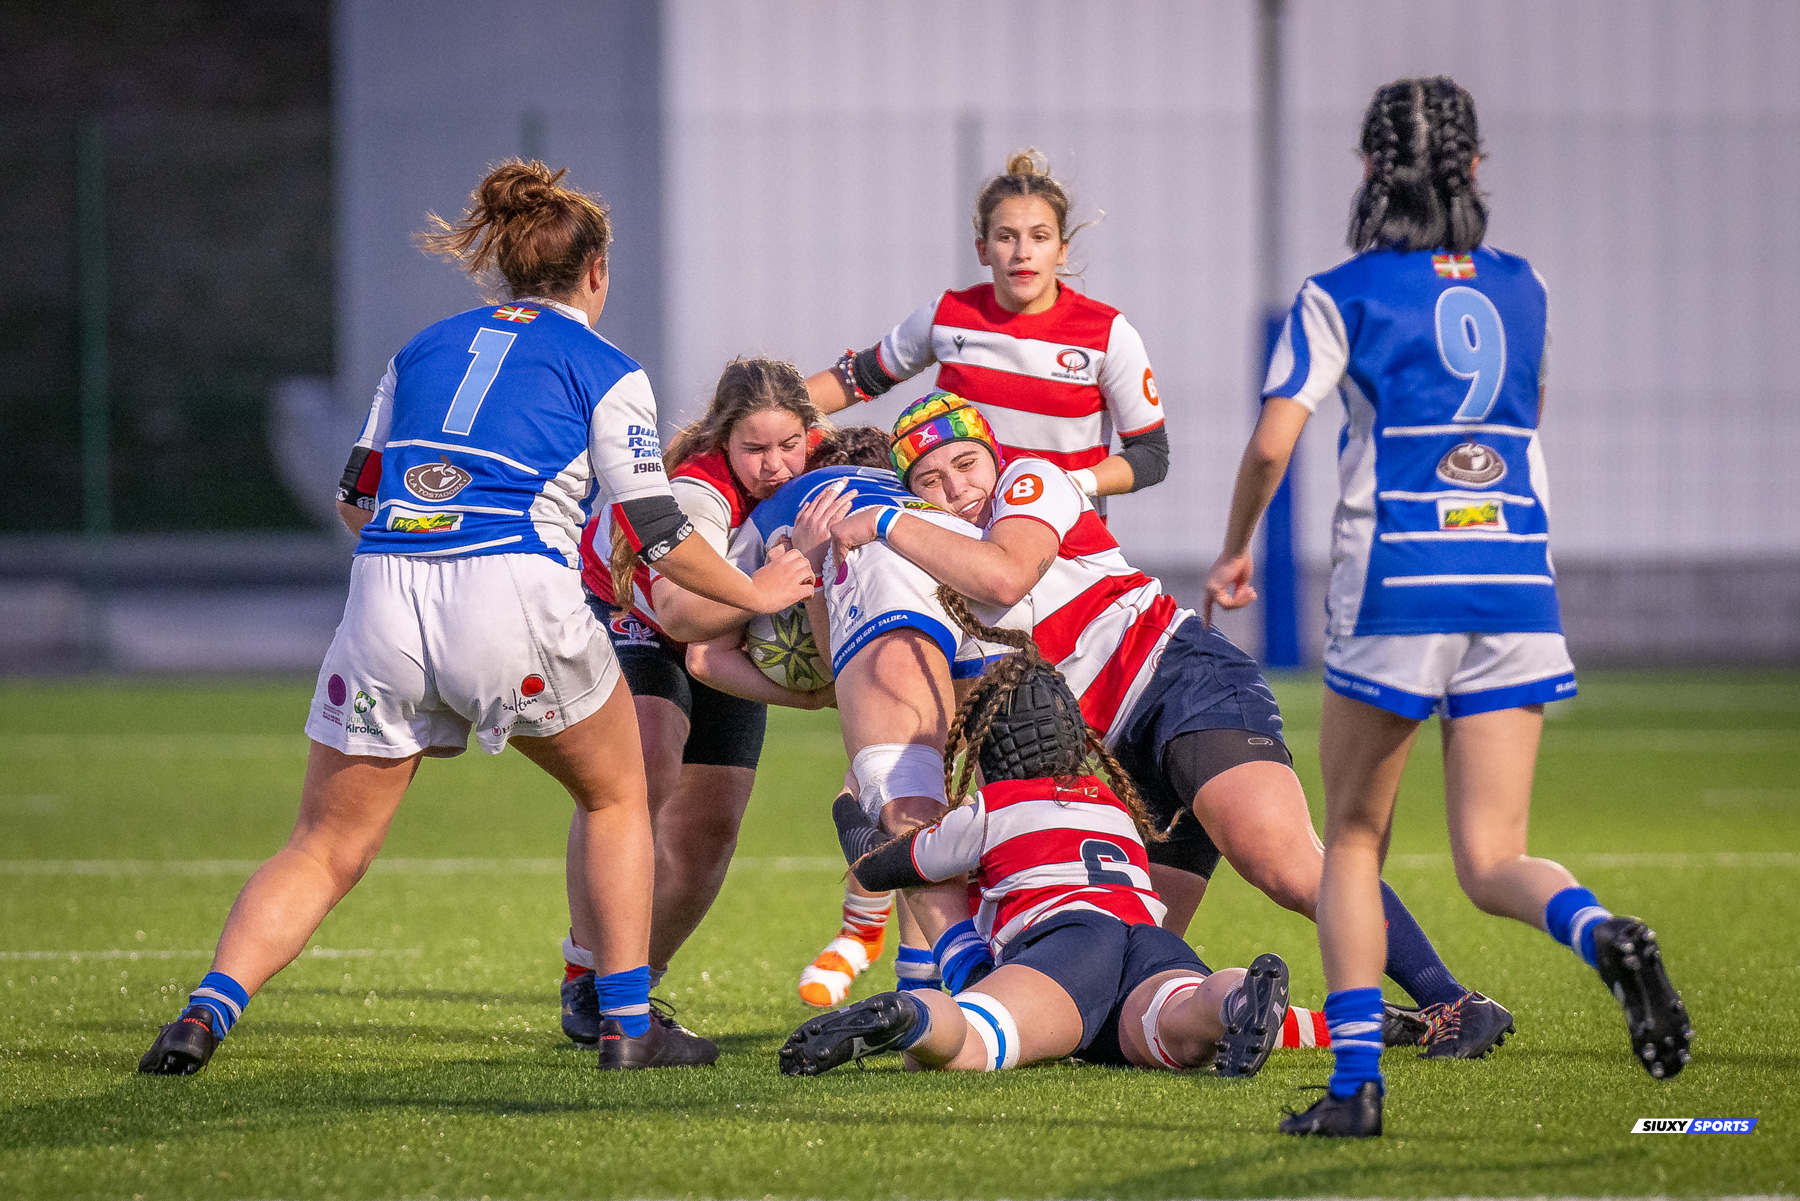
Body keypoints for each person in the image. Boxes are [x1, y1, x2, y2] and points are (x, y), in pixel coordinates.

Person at [136, 161, 814, 1076]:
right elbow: (659, 534)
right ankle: (626, 1025)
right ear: (596, 271)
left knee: (325, 842)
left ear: (502, 261)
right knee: (617, 796)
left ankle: (202, 1015)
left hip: (384, 590)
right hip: (511, 592)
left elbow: (353, 499)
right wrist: (763, 592)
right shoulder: (608, 369)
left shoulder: (420, 348)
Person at [1197, 78, 1691, 1137]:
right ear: (1474, 171)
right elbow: (1528, 417)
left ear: (1371, 173)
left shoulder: (1343, 293)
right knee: (1491, 855)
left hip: (1399, 577)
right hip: (1513, 577)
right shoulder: (1528, 288)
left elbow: (1277, 439)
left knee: (1356, 841)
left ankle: (1356, 1088)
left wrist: (1235, 551)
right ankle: (1601, 933)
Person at [832, 392, 1502, 1056]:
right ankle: (1324, 1021)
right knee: (1117, 962)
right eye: (931, 480)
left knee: (1282, 862)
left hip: (1181, 681)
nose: (957, 486)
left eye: (966, 461)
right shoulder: (946, 563)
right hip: (1124, 753)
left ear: (994, 455)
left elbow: (1007, 576)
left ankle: (1454, 1000)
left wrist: (881, 524)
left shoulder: (1028, 480)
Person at [779, 627, 1289, 1077]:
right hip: (1150, 942)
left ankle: (910, 1017)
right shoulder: (1110, 801)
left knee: (973, 1043)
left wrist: (847, 807)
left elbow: (884, 862)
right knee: (1182, 1025)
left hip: (1066, 946)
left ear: (985, 749)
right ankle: (1234, 997)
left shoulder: (993, 806)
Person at [557, 357, 836, 1049]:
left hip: (727, 627)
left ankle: (636, 986)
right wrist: (767, 591)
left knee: (711, 826)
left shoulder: (827, 470)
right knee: (642, 769)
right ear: (723, 440)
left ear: (811, 433)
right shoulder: (699, 490)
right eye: (754, 449)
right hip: (633, 615)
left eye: (788, 445)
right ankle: (587, 972)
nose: (775, 465)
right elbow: (682, 615)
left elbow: (716, 655)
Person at [710, 438, 1017, 1005]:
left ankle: (907, 958)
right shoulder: (945, 525)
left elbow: (706, 654)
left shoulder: (834, 529)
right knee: (938, 790)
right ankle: (904, 956)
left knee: (898, 791)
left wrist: (811, 595)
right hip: (962, 612)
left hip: (909, 620)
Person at [805, 149, 1169, 510]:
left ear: (1062, 251)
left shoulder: (1108, 334)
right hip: (960, 538)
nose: (1022, 252)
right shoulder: (948, 315)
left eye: (1040, 237)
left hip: (1067, 544)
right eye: (1006, 237)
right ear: (983, 250)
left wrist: (1068, 486)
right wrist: (762, 414)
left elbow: (1151, 454)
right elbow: (856, 379)